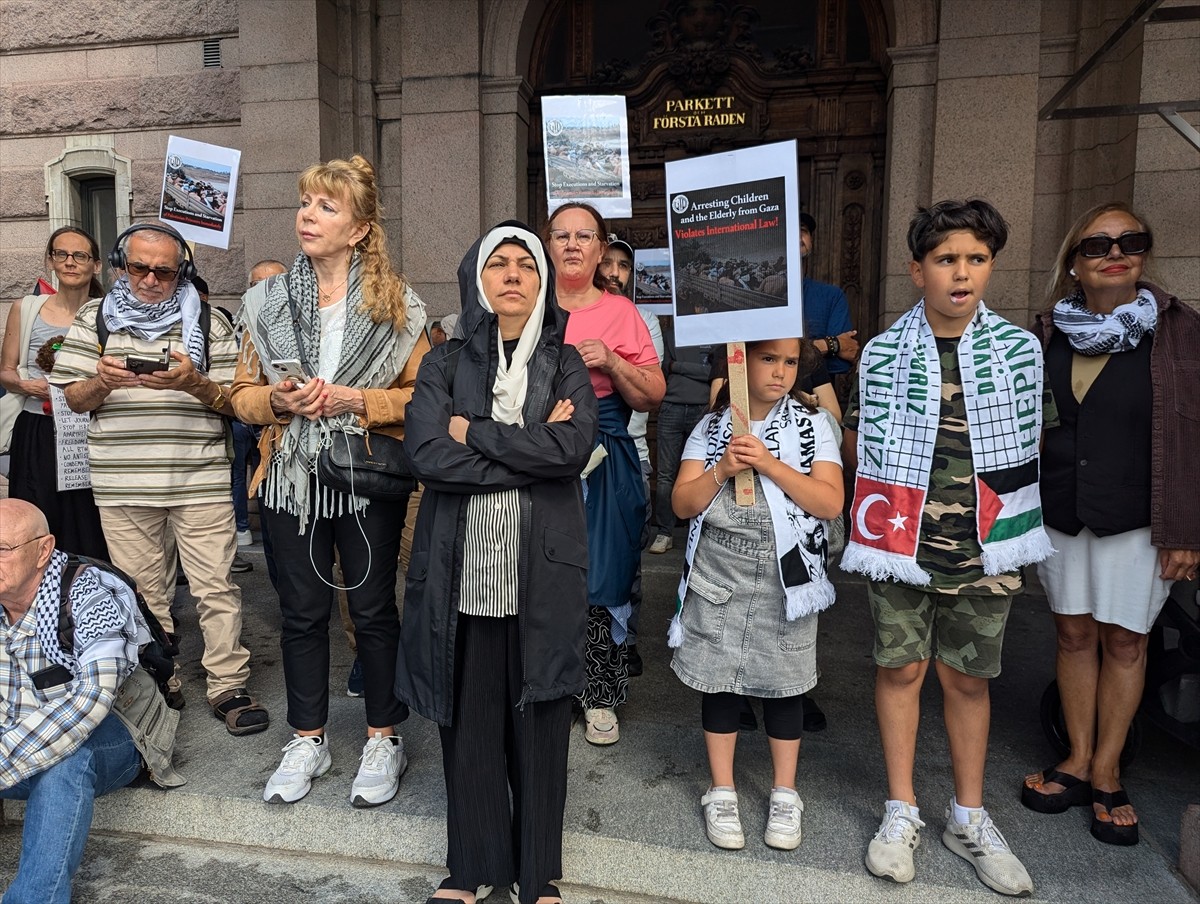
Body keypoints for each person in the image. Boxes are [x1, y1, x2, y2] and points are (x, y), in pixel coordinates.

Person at [841, 200, 1054, 897]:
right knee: (901, 671)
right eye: (945, 259)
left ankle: (968, 817)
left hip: (985, 546)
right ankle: (900, 810)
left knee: (968, 680)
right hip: (898, 543)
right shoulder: (881, 353)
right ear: (917, 269)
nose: (960, 273)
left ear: (990, 265)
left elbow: (1038, 437)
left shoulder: (1020, 351)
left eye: (975, 258)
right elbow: (857, 442)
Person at [396, 222, 597, 904]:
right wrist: (527, 447)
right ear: (477, 280)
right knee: (470, 722)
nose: (512, 275)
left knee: (541, 722)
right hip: (464, 575)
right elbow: (428, 455)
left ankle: (537, 874)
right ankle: (471, 865)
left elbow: (570, 450)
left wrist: (475, 433)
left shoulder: (565, 359)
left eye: (525, 265)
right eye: (498, 264)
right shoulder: (444, 362)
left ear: (542, 282)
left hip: (540, 572)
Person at [230, 155, 428, 807]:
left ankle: (383, 737)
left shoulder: (399, 305)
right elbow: (239, 394)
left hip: (364, 473)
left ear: (360, 229)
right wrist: (277, 403)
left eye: (326, 206)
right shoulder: (265, 301)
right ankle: (307, 738)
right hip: (290, 477)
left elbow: (423, 398)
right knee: (301, 613)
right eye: (305, 203)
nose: (308, 215)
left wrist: (357, 400)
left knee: (372, 610)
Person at [1020, 203, 1200, 846]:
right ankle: (1074, 755)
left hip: (1137, 516)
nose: (1114, 251)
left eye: (1130, 240)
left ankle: (1105, 768)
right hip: (1064, 507)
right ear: (1075, 263)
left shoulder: (1180, 334)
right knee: (1073, 635)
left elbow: (1192, 437)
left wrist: (1187, 527)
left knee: (1125, 641)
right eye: (1097, 244)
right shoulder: (1045, 336)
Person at [51, 222, 268, 734]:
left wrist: (192, 380)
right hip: (123, 484)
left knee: (216, 588)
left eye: (164, 271)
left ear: (182, 272)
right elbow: (71, 397)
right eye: (138, 267)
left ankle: (228, 685)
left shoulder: (211, 322)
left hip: (201, 480)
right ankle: (161, 677)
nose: (149, 280)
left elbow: (233, 402)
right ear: (121, 266)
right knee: (144, 592)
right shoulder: (93, 319)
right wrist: (102, 380)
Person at [670, 337, 842, 852]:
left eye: (791, 362)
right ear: (740, 363)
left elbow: (830, 502)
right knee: (719, 683)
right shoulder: (710, 427)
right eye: (769, 358)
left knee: (785, 685)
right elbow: (682, 504)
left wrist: (770, 465)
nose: (781, 372)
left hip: (786, 579)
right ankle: (721, 789)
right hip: (720, 570)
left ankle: (785, 791)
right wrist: (722, 468)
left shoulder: (814, 428)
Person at [0, 499, 184, 904]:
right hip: (15, 733)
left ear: (43, 550)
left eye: (2, 549)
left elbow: (91, 699)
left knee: (66, 759)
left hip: (117, 732)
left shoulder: (90, 593)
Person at [544, 203, 665, 745]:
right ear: (547, 244)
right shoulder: (530, 303)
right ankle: (549, 688)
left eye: (584, 236)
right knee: (539, 574)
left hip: (605, 455)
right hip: (539, 453)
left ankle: (600, 695)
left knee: (604, 576)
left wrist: (613, 361)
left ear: (600, 248)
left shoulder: (621, 312)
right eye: (562, 235)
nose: (572, 244)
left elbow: (654, 394)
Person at [1, 227, 108, 560]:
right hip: (38, 431)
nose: (70, 262)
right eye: (61, 254)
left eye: (79, 255)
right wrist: (27, 385)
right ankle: (37, 598)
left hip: (92, 430)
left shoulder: (108, 313)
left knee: (92, 521)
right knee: (39, 520)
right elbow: (5, 371)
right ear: (51, 260)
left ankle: (96, 595)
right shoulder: (27, 308)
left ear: (97, 265)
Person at [600, 235, 663, 677]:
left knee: (627, 560)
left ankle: (627, 641)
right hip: (578, 459)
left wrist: (610, 359)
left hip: (631, 455)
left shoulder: (643, 319)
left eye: (624, 265)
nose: (615, 272)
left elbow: (646, 391)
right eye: (608, 263)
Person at [649, 320, 712, 555]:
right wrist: (675, 367)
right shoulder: (669, 334)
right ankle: (665, 533)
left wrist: (679, 366)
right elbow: (663, 367)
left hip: (702, 410)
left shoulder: (714, 334)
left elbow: (712, 373)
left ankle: (699, 534)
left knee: (705, 474)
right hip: (671, 407)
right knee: (665, 474)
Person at [799, 212, 858, 383]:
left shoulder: (831, 296)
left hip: (817, 404)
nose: (797, 235)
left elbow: (844, 357)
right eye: (788, 229)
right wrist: (832, 344)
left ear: (811, 241)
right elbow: (751, 356)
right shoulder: (761, 294)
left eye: (803, 230)